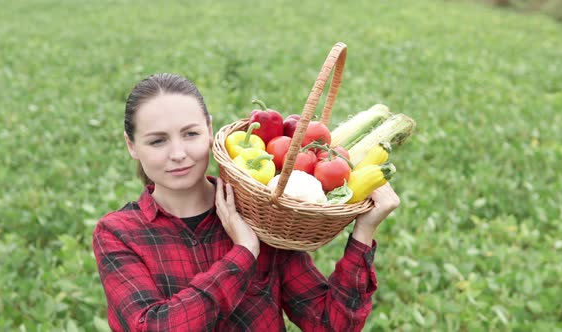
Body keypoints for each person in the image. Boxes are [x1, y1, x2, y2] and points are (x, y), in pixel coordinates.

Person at [92, 73, 400, 331]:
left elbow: (331, 325)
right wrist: (243, 253)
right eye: (158, 140)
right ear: (131, 146)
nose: (178, 154)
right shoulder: (119, 233)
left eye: (190, 134)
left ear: (210, 131)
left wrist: (363, 232)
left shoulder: (262, 212)